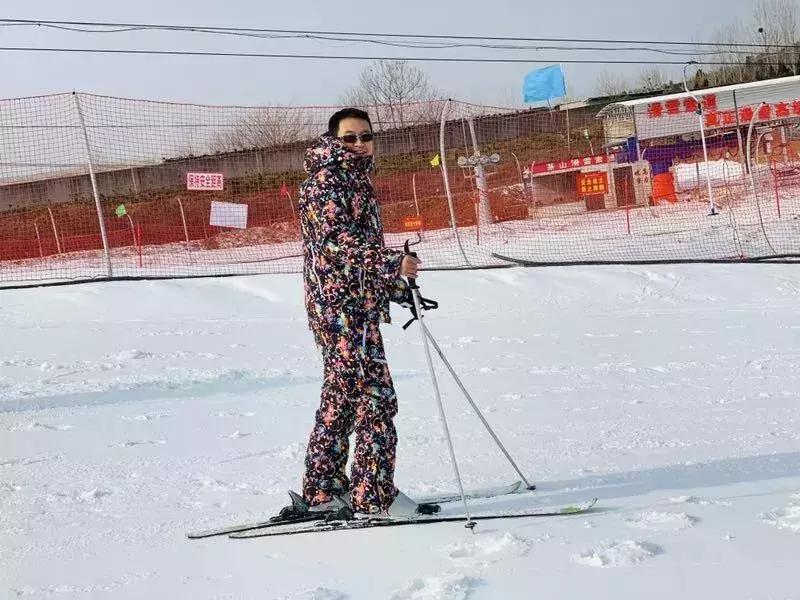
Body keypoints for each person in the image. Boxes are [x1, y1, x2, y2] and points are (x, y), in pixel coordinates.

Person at [296, 108, 425, 517]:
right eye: (349, 138)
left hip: (357, 308)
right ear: (333, 140)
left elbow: (355, 251)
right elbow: (336, 244)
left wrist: (393, 286)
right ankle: (373, 495)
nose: (358, 145)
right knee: (375, 398)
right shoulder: (326, 182)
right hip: (340, 311)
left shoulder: (356, 180)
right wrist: (390, 264)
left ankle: (325, 489)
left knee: (345, 397)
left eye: (365, 137)